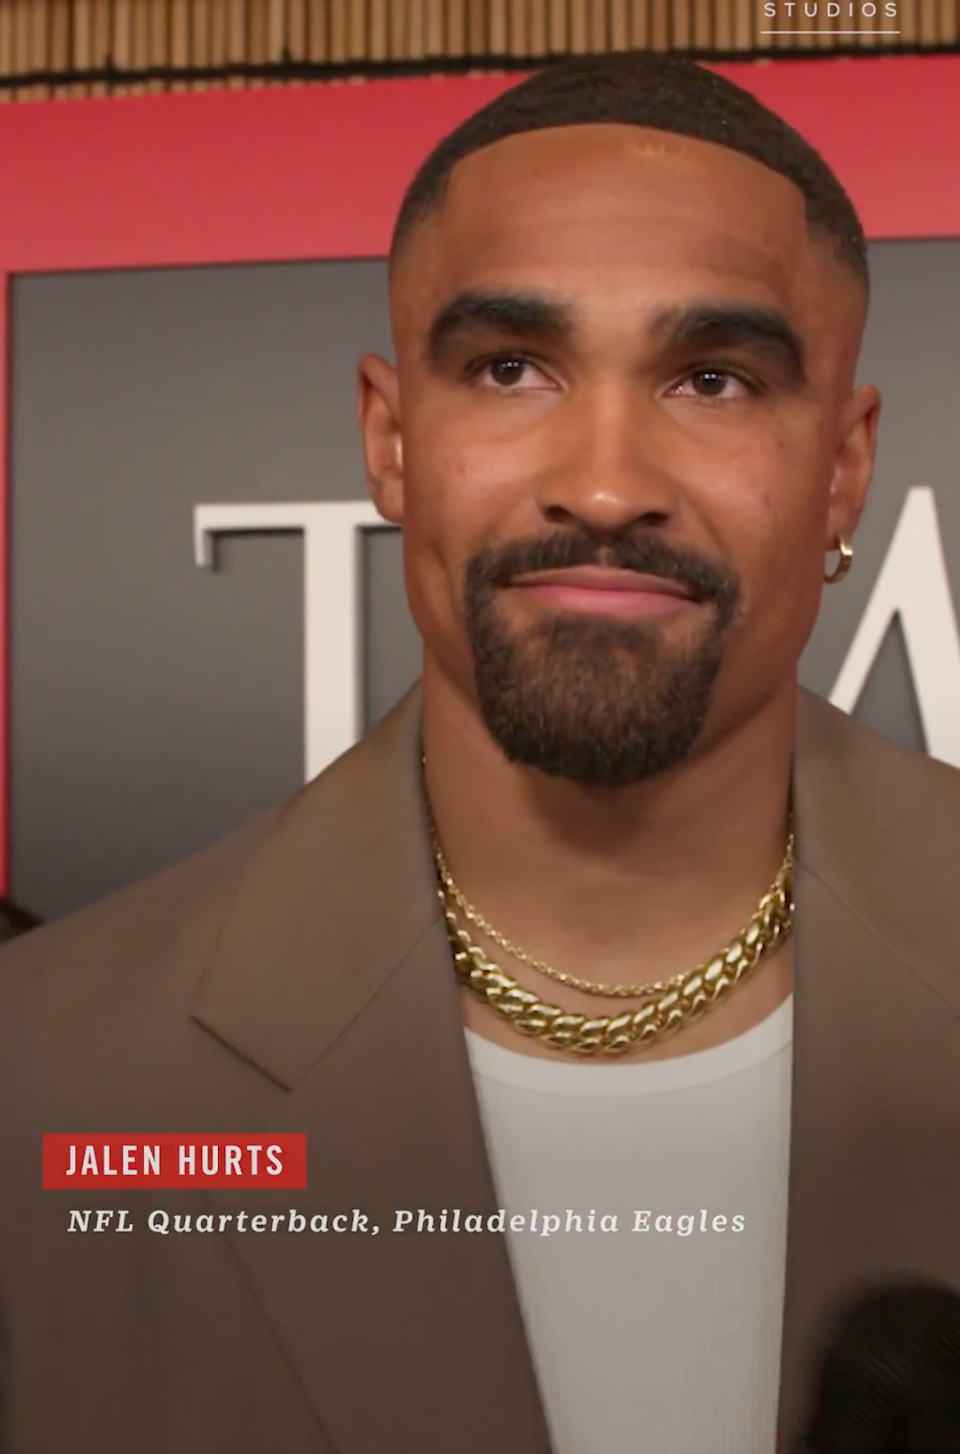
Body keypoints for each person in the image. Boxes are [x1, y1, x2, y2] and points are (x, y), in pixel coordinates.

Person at [0, 48, 957, 1454]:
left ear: (847, 467)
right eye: (511, 367)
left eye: (713, 378)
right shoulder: (47, 1073)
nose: (610, 482)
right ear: (390, 439)